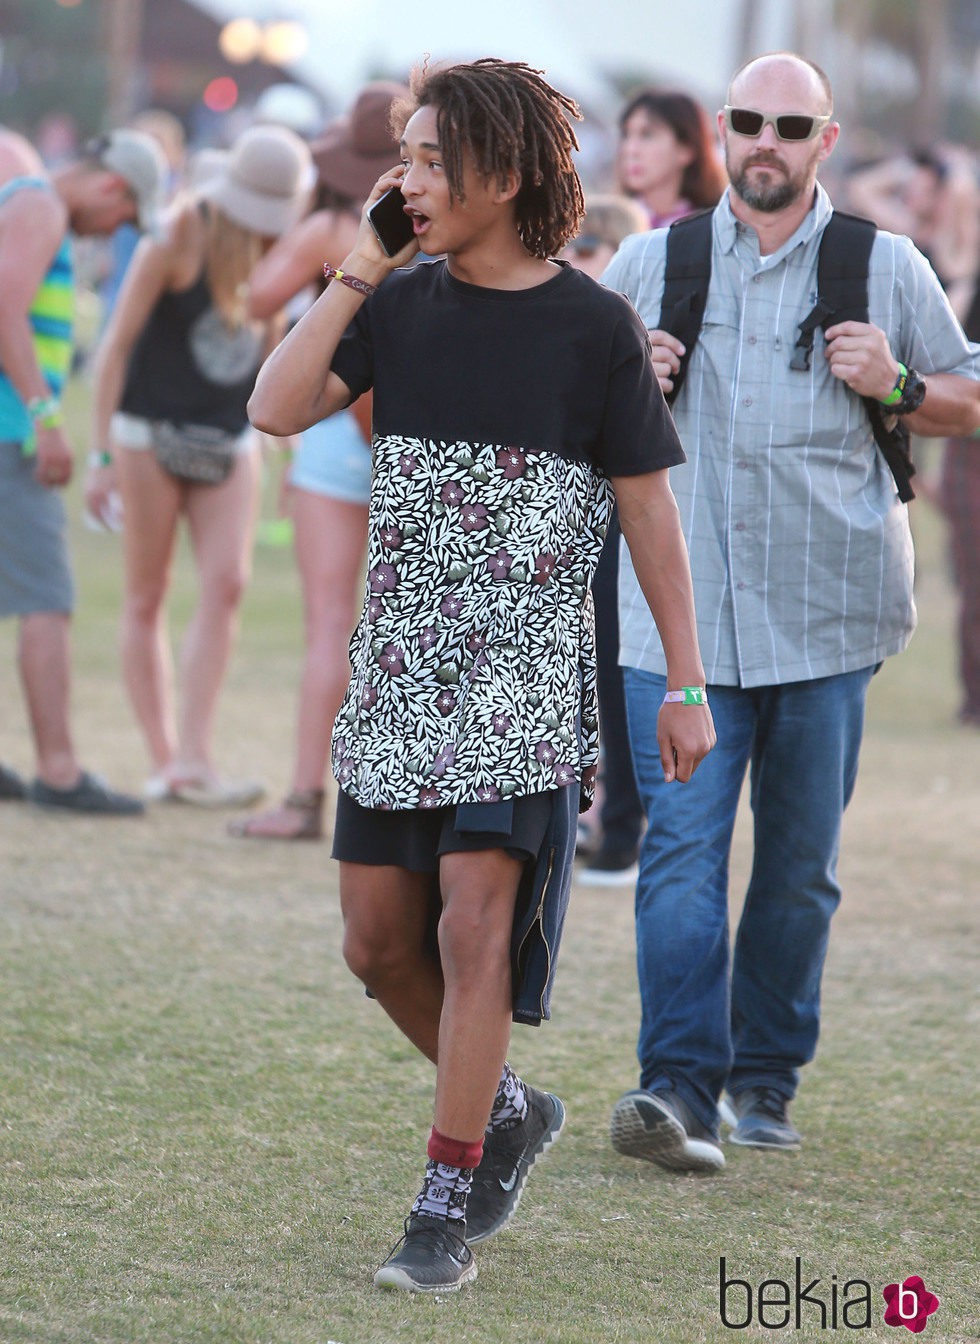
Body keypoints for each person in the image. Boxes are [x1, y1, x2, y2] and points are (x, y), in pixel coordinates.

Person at [248, 57, 714, 1293]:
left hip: (524, 677)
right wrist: (358, 265)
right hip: (401, 669)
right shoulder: (394, 307)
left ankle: (442, 1205)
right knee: (373, 945)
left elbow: (650, 516)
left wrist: (682, 678)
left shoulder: (594, 323)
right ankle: (505, 1109)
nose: (406, 178)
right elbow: (274, 406)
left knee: (471, 928)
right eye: (401, 156)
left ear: (504, 175)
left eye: (430, 160)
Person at [602, 51, 980, 1173]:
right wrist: (634, 377)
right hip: (679, 626)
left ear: (824, 141)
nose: (763, 141)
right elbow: (573, 426)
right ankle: (675, 1089)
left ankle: (762, 1083)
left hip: (828, 620)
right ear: (720, 133)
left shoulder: (886, 265)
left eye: (788, 125)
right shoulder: (647, 262)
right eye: (745, 122)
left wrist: (898, 388)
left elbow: (965, 394)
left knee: (798, 866)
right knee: (678, 854)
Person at [85, 124, 312, 805]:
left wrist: (283, 452)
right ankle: (166, 761)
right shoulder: (175, 237)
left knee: (228, 586)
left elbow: (273, 354)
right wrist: (99, 455)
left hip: (230, 436)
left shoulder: (280, 253)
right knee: (147, 592)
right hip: (147, 432)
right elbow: (114, 350)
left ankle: (195, 756)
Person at [229, 83, 409, 841]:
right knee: (405, 625)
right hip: (417, 430)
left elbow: (255, 296)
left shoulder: (334, 228)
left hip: (336, 427)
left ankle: (305, 796)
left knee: (329, 625)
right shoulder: (434, 238)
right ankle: (397, 794)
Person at [0, 125, 167, 815]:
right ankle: (60, 771)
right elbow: (3, 305)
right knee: (48, 599)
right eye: (125, 213)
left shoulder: (29, 203)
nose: (118, 227)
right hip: (9, 433)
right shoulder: (38, 203)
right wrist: (45, 418)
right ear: (109, 184)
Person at [559, 193, 651, 884]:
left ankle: (621, 828)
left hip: (623, 518)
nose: (575, 258)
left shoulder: (626, 330)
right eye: (570, 245)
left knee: (619, 669)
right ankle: (590, 815)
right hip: (567, 523)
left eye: (591, 246)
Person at [617, 87, 727, 228]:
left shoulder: (717, 227)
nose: (630, 149)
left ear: (687, 148)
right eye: (626, 135)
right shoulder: (604, 227)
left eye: (647, 135)